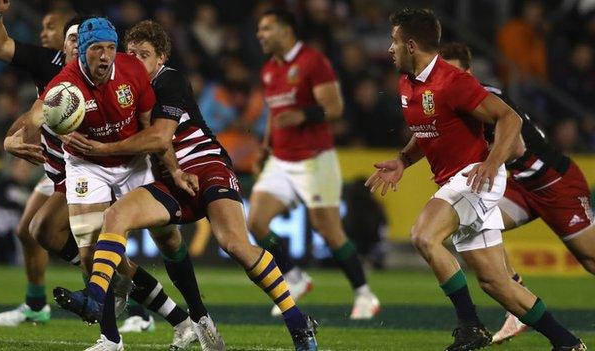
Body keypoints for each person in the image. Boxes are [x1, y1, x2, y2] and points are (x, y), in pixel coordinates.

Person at [53, 19, 318, 351]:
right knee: (116, 217)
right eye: (131, 53)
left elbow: (160, 137)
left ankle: (297, 322)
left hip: (207, 167)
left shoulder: (171, 80)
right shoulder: (123, 87)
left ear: (162, 58)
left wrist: (105, 149)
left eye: (144, 54)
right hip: (170, 178)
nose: (135, 60)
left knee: (233, 243)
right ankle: (100, 298)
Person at [365, 8, 586, 351]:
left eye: (394, 41)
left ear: (411, 44)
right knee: (496, 283)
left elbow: (509, 119)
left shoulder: (452, 81)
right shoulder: (407, 83)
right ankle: (567, 343)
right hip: (457, 181)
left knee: (423, 235)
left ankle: (469, 326)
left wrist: (492, 162)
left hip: (475, 177)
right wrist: (403, 160)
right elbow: (431, 129)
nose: (389, 48)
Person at [10, 17, 206, 351]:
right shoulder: (66, 84)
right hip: (88, 166)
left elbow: (153, 131)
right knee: (90, 254)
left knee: (170, 240)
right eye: (97, 49)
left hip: (132, 162)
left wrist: (172, 169)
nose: (105, 56)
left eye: (110, 48)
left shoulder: (131, 71)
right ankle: (111, 339)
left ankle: (194, 318)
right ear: (83, 51)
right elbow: (36, 113)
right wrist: (10, 139)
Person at [440, 42, 595, 345]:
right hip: (520, 187)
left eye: (454, 73)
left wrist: (487, 162)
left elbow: (516, 145)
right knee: (473, 225)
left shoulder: (488, 97)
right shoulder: (451, 105)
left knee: (591, 259)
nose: (449, 81)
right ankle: (515, 295)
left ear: (469, 73)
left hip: (555, 182)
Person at [248, 8, 380, 319]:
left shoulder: (312, 62)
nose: (260, 35)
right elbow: (274, 114)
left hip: (314, 159)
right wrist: (265, 149)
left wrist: (303, 115)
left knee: (328, 230)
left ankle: (365, 295)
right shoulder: (269, 69)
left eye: (266, 28)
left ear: (286, 30)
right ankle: (294, 278)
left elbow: (334, 107)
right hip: (280, 159)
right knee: (255, 222)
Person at [0, 0, 79, 326]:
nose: (42, 32)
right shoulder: (47, 60)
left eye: (50, 27)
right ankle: (36, 305)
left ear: (70, 34)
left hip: (93, 163)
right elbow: (0, 46)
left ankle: (137, 307)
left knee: (93, 236)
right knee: (27, 230)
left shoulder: (92, 65)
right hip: (57, 163)